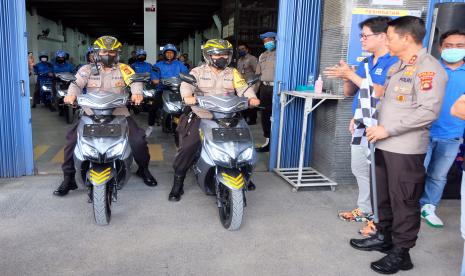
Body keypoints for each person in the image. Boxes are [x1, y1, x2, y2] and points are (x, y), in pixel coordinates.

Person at [349, 16, 447, 274]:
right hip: (382, 143)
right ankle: (385, 238)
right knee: (384, 196)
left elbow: (428, 112)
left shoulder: (428, 69)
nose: (386, 40)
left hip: (405, 149)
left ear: (406, 38)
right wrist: (362, 120)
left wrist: (388, 129)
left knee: (403, 200)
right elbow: (386, 104)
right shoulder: (398, 67)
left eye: (390, 36)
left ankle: (402, 253)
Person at [53, 36, 157, 197]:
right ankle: (69, 178)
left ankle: (143, 169)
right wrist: (70, 96)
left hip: (119, 113)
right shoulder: (86, 69)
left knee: (138, 139)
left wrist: (137, 94)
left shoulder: (124, 68)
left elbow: (135, 81)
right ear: (97, 52)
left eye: (112, 51)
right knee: (72, 141)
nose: (108, 54)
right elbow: (76, 84)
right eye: (104, 51)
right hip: (91, 113)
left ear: (117, 53)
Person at [324, 16, 398, 237]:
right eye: (361, 36)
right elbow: (351, 93)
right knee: (359, 169)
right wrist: (347, 76)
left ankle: (380, 220)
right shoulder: (366, 62)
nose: (362, 40)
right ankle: (365, 209)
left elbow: (378, 92)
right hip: (360, 125)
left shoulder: (393, 62)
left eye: (365, 35)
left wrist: (351, 75)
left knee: (379, 174)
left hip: (381, 127)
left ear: (383, 36)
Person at [169, 39, 260, 202]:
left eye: (225, 54)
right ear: (209, 56)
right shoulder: (197, 72)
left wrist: (252, 98)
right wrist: (187, 96)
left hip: (229, 115)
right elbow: (186, 85)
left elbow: (243, 88)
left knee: (243, 142)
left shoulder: (233, 72)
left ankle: (242, 173)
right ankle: (178, 181)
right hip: (203, 115)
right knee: (189, 146)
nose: (222, 57)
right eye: (218, 54)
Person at [419, 29, 465, 228]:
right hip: (423, 131)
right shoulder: (429, 69)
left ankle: (428, 206)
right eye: (449, 46)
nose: (453, 49)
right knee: (416, 172)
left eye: (459, 46)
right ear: (440, 48)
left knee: (439, 175)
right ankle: (408, 207)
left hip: (452, 134)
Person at [147, 44, 189, 137]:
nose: (169, 55)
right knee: (153, 108)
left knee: (188, 108)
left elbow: (186, 75)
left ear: (174, 54)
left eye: (171, 53)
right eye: (167, 53)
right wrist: (157, 80)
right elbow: (154, 78)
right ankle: (150, 127)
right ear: (164, 54)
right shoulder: (157, 65)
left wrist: (188, 79)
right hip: (162, 90)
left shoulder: (180, 64)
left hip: (178, 90)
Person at [255, 31, 277, 152]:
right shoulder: (262, 55)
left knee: (276, 114)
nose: (267, 43)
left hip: (276, 88)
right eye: (265, 41)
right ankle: (267, 141)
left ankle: (278, 141)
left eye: (269, 40)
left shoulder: (281, 54)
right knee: (265, 115)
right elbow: (258, 75)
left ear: (275, 40)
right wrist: (253, 93)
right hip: (264, 88)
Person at [237, 42, 259, 125]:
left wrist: (256, 85)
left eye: (243, 49)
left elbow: (257, 72)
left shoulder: (252, 59)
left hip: (251, 84)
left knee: (251, 102)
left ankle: (253, 120)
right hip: (242, 85)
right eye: (239, 49)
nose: (241, 51)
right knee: (243, 102)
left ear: (247, 49)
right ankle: (245, 118)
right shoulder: (239, 60)